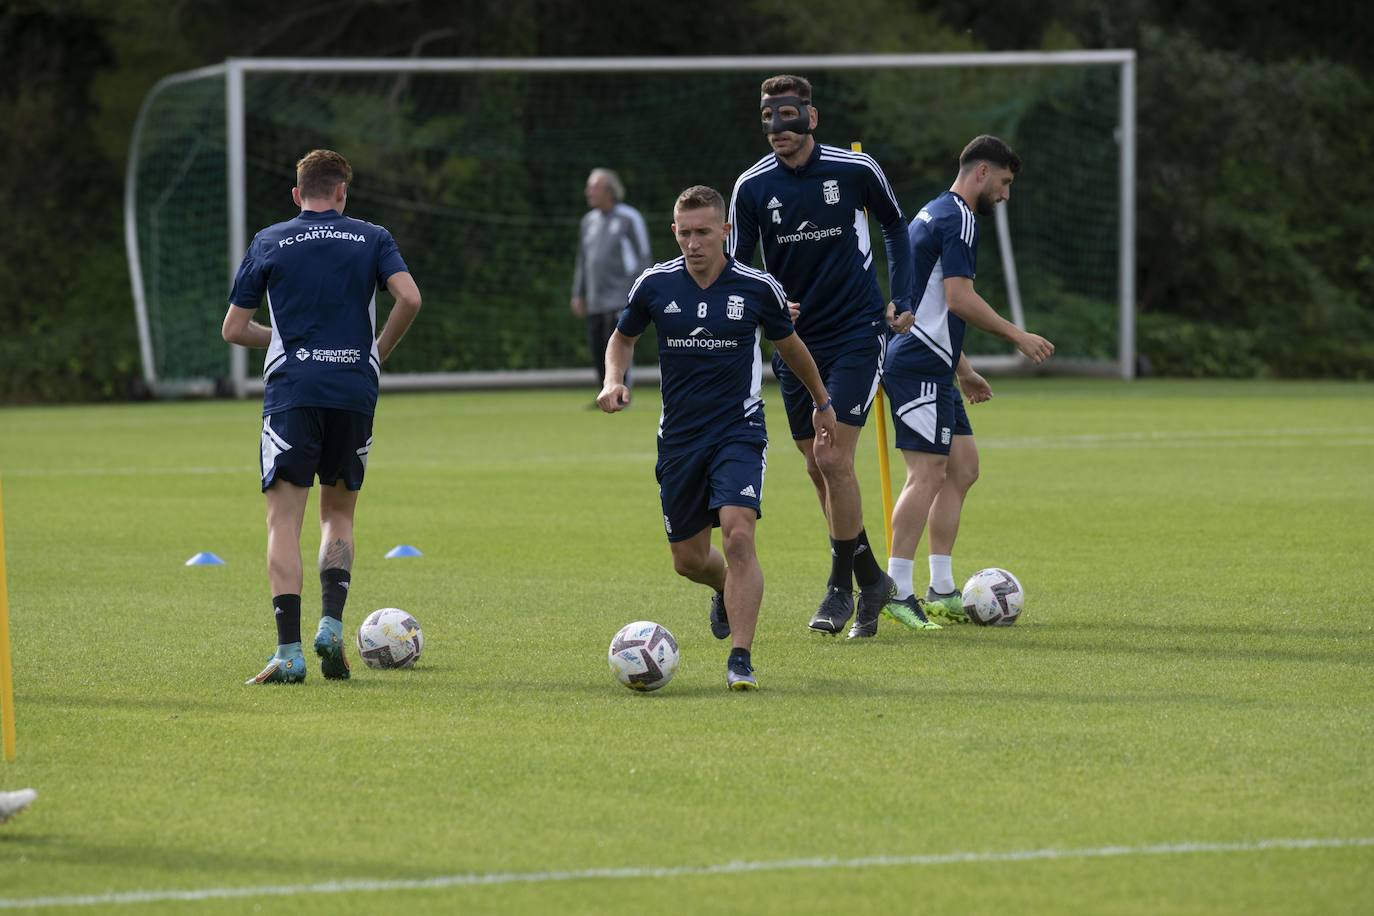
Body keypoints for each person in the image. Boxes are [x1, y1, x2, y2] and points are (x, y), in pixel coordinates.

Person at [599, 185, 834, 690]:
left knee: (739, 535)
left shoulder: (756, 286)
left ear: (725, 231)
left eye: (704, 232)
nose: (694, 243)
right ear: (674, 233)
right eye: (685, 233)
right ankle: (725, 587)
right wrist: (613, 380)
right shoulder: (654, 285)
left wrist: (823, 402)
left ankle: (741, 659)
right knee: (687, 560)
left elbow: (791, 347)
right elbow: (622, 338)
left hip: (738, 430)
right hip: (679, 438)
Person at [727, 74, 917, 639]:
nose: (777, 130)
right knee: (817, 468)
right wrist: (769, 298)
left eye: (787, 117)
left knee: (835, 460)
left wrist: (902, 297)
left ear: (811, 117)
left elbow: (895, 227)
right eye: (768, 119)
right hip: (793, 343)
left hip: (857, 333)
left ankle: (839, 585)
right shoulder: (751, 188)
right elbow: (737, 268)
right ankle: (872, 579)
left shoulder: (856, 170)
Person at [222, 149, 422, 684]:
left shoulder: (270, 240)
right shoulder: (372, 237)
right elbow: (410, 298)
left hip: (293, 390)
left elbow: (234, 330)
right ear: (341, 193)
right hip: (354, 388)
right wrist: (375, 350)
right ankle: (331, 626)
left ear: (297, 194)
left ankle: (289, 652)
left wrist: (284, 343)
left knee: (283, 518)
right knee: (339, 514)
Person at [881, 135, 1054, 623]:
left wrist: (965, 369)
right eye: (1003, 182)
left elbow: (927, 301)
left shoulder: (932, 212)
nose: (1004, 194)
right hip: (915, 363)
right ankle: (896, 592)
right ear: (982, 172)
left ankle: (940, 589)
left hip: (935, 361)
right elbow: (957, 299)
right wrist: (1017, 335)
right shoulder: (959, 217)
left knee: (962, 468)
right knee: (927, 474)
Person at [572, 168, 651, 398]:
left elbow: (643, 256)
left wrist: (638, 294)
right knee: (597, 347)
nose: (588, 191)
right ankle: (603, 392)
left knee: (617, 343)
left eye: (593, 187)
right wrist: (579, 293)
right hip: (596, 299)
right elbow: (583, 260)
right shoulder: (588, 222)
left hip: (620, 297)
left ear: (609, 191)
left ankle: (622, 392)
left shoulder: (629, 218)